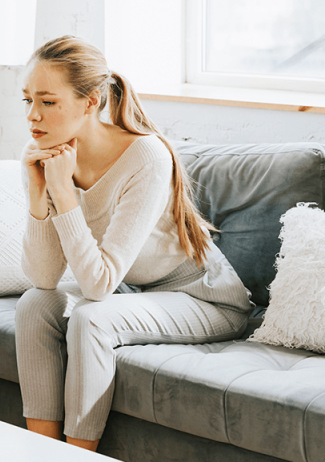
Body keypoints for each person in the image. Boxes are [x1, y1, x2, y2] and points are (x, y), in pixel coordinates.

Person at [15, 36, 253, 451]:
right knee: (34, 304)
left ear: (90, 102)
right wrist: (40, 199)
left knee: (93, 317)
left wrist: (65, 197)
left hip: (203, 297)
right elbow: (43, 277)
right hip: (134, 289)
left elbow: (97, 288)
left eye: (48, 102)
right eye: (28, 100)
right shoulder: (46, 155)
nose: (33, 115)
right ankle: (42, 453)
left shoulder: (146, 156)